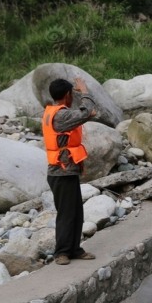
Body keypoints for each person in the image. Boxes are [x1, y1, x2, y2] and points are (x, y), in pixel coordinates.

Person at [42, 78, 97, 265]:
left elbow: (84, 115)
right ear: (68, 95)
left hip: (66, 171)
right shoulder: (61, 116)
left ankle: (75, 249)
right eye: (73, 93)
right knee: (66, 213)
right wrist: (85, 91)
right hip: (61, 172)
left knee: (75, 212)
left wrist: (86, 114)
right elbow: (87, 111)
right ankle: (62, 252)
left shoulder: (55, 112)